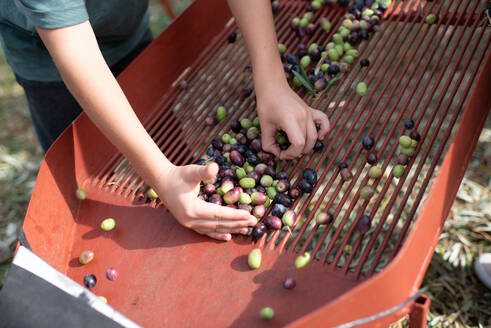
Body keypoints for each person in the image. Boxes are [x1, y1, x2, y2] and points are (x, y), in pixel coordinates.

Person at [0, 0, 330, 242]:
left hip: (125, 26)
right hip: (49, 63)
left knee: (178, 167)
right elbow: (73, 48)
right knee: (86, 189)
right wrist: (160, 175)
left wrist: (272, 81)